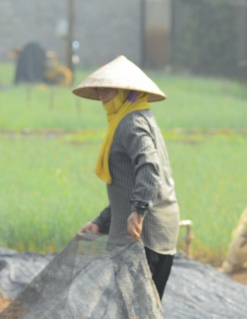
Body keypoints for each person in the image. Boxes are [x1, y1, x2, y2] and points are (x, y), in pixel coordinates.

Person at [75, 56, 180, 298]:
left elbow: (149, 166)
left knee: (133, 313)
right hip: (157, 232)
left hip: (143, 237)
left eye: (107, 88)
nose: (101, 94)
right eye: (99, 88)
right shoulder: (138, 118)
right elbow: (128, 186)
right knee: (140, 313)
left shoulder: (130, 123)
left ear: (126, 91)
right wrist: (102, 222)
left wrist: (139, 210)